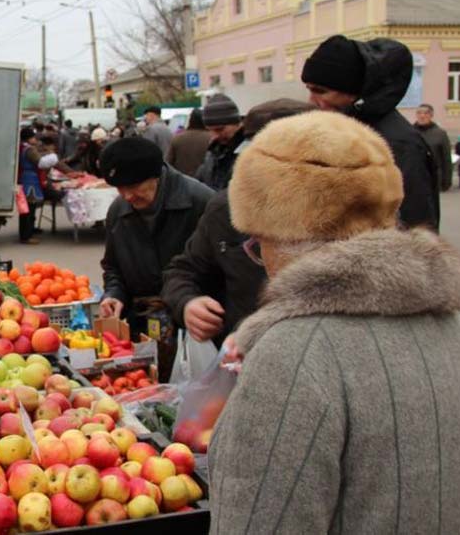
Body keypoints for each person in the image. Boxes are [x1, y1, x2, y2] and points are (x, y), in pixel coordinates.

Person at [209, 110, 460, 532]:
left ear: (287, 238)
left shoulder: (291, 355)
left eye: (258, 244)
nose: (261, 259)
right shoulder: (449, 322)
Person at [161, 99, 314, 345]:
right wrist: (188, 303)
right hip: (243, 356)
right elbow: (183, 270)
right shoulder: (225, 208)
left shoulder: (352, 213)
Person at [99, 138, 214, 370]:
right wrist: (114, 294)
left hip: (193, 326)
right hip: (142, 322)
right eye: (120, 189)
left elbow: (223, 269)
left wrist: (192, 305)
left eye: (133, 187)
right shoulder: (119, 211)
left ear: (156, 175)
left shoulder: (202, 202)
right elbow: (113, 266)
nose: (127, 196)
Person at [302, 34, 439, 230]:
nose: (311, 100)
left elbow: (415, 226)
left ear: (352, 92)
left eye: (320, 91)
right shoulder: (347, 131)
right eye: (309, 89)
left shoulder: (397, 142)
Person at [194, 94, 244, 190]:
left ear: (236, 124)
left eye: (219, 129)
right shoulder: (212, 153)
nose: (214, 136)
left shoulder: (250, 151)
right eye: (210, 130)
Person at [414, 103, 453, 191]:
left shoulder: (440, 134)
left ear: (431, 115)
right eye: (419, 113)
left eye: (426, 113)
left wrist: (447, 181)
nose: (422, 116)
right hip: (415, 179)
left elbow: (446, 159)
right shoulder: (411, 132)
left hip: (434, 179)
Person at [165, 107, 211, 177]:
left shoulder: (178, 138)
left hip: (182, 181)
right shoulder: (210, 138)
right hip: (205, 183)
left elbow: (168, 163)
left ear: (190, 120)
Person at [17, 127, 43, 244]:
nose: (35, 139)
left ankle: (28, 231)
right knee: (29, 208)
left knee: (26, 209)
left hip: (25, 179)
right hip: (30, 181)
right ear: (29, 138)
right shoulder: (30, 150)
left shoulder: (22, 147)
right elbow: (40, 162)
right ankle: (27, 236)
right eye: (33, 137)